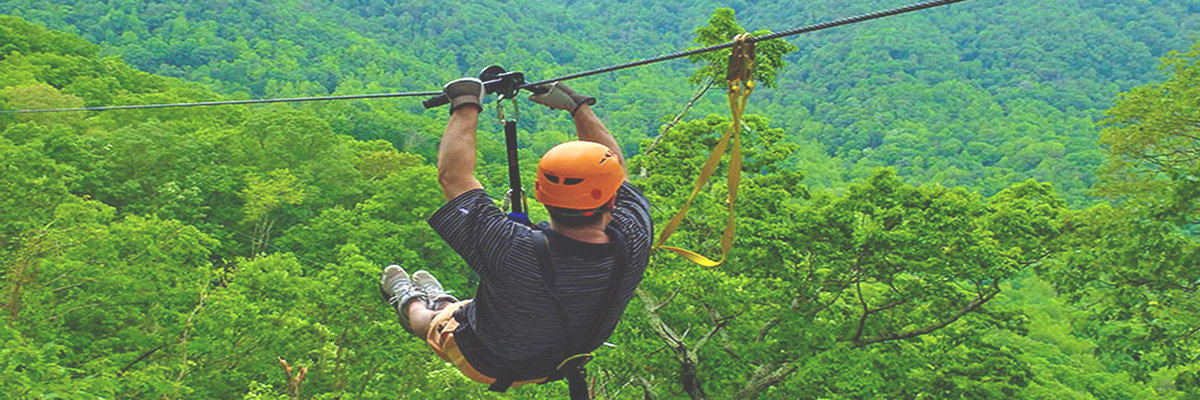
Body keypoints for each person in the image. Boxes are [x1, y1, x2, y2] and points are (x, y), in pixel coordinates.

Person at [379, 78, 653, 395]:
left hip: (487, 361)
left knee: (436, 323)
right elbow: (615, 167)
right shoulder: (634, 234)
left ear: (540, 194)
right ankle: (442, 299)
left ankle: (407, 300)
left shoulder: (512, 249)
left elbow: (454, 176)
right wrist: (579, 108)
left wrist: (466, 104)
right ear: (612, 199)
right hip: (557, 357)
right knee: (470, 308)